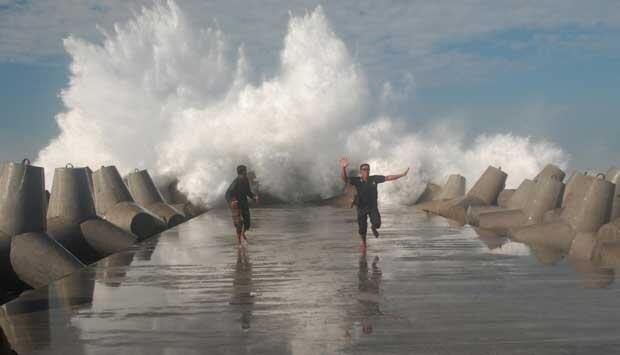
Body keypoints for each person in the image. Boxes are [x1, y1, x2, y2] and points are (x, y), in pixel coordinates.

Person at [339, 158, 408, 250]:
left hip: (372, 207)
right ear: (361, 171)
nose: (366, 171)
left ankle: (373, 228)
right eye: (364, 169)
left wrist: (402, 175)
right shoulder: (357, 180)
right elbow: (345, 179)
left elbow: (388, 177)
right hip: (361, 207)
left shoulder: (374, 179)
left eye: (368, 169)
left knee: (377, 223)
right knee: (362, 229)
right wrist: (343, 168)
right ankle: (364, 243)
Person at [225, 165, 259, 247]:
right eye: (245, 171)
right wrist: (231, 202)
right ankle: (239, 243)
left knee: (247, 223)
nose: (246, 172)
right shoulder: (236, 181)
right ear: (243, 172)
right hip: (236, 205)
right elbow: (228, 193)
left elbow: (248, 192)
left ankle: (242, 234)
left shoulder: (245, 180)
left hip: (244, 204)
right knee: (239, 224)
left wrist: (254, 197)